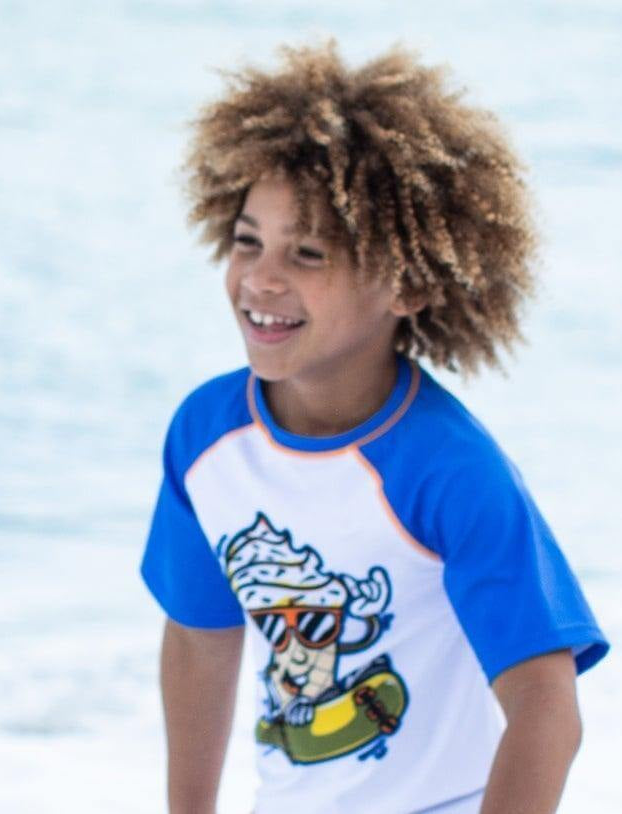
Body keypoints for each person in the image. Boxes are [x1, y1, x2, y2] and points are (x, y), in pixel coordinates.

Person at [138, 39, 609, 814]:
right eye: (248, 240)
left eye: (310, 252)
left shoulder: (449, 472)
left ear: (411, 284)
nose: (261, 277)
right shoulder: (206, 439)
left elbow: (547, 707)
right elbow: (198, 636)